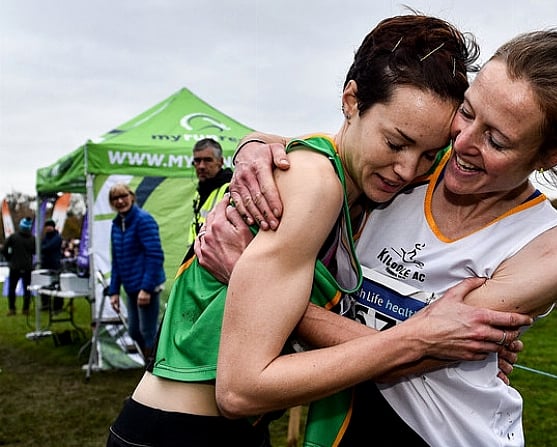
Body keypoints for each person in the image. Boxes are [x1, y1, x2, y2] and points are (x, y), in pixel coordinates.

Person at [107, 15, 532, 447]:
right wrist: (420, 340)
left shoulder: (356, 193)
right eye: (395, 142)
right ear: (351, 100)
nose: (407, 169)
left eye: (428, 155)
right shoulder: (316, 184)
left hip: (210, 428)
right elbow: (241, 389)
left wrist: (469, 352)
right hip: (182, 431)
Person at [206, 29, 557, 446]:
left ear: (550, 155)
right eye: (468, 112)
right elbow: (331, 151)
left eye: (495, 139)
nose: (463, 143)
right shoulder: (408, 170)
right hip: (342, 418)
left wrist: (253, 286)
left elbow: (414, 356)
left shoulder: (546, 251)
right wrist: (254, 145)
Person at [106, 183, 166, 361]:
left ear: (132, 196)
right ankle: (150, 363)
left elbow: (155, 255)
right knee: (134, 331)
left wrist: (147, 289)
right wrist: (114, 291)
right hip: (131, 287)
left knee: (148, 331)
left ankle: (154, 369)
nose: (120, 201)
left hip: (147, 287)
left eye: (123, 196)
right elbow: (117, 260)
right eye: (115, 198)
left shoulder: (143, 220)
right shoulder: (117, 224)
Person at [188, 138, 233, 245]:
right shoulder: (200, 190)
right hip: (199, 254)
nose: (201, 166)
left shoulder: (230, 189)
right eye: (197, 161)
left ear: (220, 162)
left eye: (208, 160)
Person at [2, 217, 35, 316]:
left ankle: (12, 309)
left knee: (12, 288)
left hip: (14, 266)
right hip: (27, 267)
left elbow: (4, 249)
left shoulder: (13, 237)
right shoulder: (33, 238)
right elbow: (35, 251)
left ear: (21, 226)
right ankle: (26, 309)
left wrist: (9, 258)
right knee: (27, 289)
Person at [39, 219, 64, 311]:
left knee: (57, 286)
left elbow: (47, 247)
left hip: (55, 265)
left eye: (50, 226)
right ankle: (45, 305)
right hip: (45, 264)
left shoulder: (57, 237)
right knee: (44, 285)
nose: (48, 228)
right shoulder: (45, 238)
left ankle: (58, 306)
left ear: (53, 227)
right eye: (47, 226)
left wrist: (43, 248)